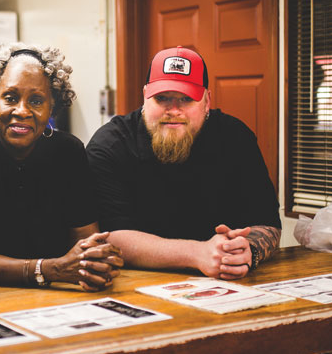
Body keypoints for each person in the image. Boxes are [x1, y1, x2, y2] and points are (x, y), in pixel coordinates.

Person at [0, 44, 123, 290]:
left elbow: (87, 242)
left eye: (36, 100)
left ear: (52, 106)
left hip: (62, 292)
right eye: (10, 98)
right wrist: (49, 269)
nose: (22, 111)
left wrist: (97, 262)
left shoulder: (68, 152)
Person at [86, 46, 281, 280]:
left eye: (186, 99)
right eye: (162, 98)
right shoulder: (110, 145)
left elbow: (267, 223)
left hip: (224, 282)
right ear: (145, 95)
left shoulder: (235, 137)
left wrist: (247, 251)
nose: (174, 110)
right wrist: (198, 254)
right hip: (132, 282)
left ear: (207, 101)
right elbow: (111, 236)